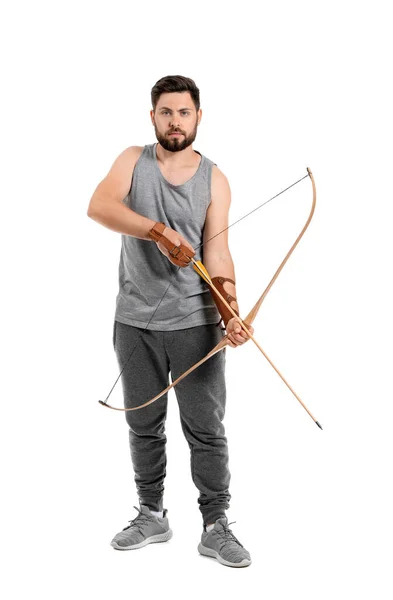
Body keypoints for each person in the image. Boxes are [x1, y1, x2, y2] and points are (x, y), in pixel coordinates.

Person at [87, 75, 254, 568]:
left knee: (205, 427)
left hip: (195, 323)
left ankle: (216, 524)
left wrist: (231, 314)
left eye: (184, 113)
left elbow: (218, 252)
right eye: (166, 113)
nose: (175, 122)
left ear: (198, 117)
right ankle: (151, 513)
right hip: (135, 319)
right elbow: (99, 207)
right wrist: (157, 231)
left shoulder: (214, 179)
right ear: (153, 116)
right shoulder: (131, 161)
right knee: (143, 424)